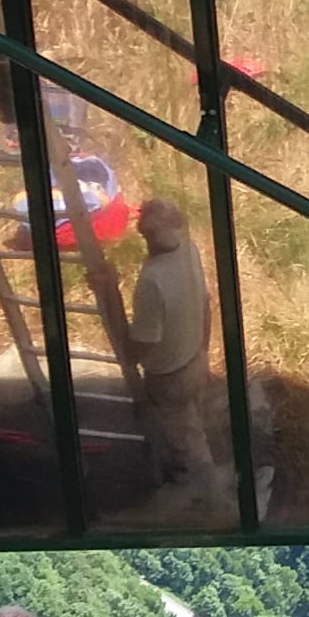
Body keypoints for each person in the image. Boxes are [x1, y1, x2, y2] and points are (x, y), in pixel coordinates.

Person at [124, 198, 221, 491]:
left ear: (147, 235)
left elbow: (144, 343)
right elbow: (206, 305)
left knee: (188, 446)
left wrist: (129, 356)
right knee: (195, 422)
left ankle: (213, 503)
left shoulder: (152, 280)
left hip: (169, 377)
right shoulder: (190, 251)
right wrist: (203, 348)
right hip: (195, 358)